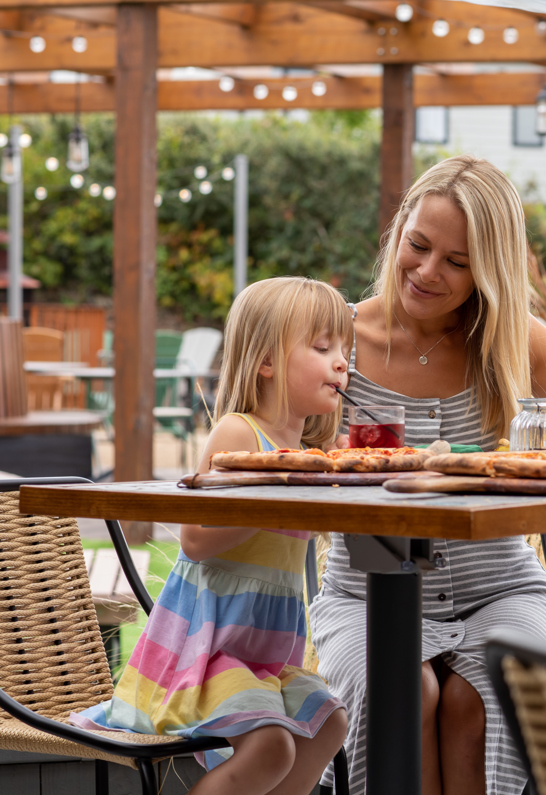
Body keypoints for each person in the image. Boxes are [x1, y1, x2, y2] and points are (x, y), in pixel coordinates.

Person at [309, 155, 546, 795]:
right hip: (366, 594)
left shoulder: (513, 339)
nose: (428, 271)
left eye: (458, 262)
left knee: (482, 697)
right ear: (399, 233)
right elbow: (264, 435)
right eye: (419, 246)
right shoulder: (337, 340)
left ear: (487, 270)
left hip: (502, 591)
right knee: (403, 692)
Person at [70, 276, 350, 795]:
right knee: (272, 746)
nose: (342, 362)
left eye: (344, 349)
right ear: (266, 361)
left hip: (264, 656)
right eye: (322, 346)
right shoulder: (241, 433)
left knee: (331, 723)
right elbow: (196, 537)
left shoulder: (311, 449)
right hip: (204, 651)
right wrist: (278, 493)